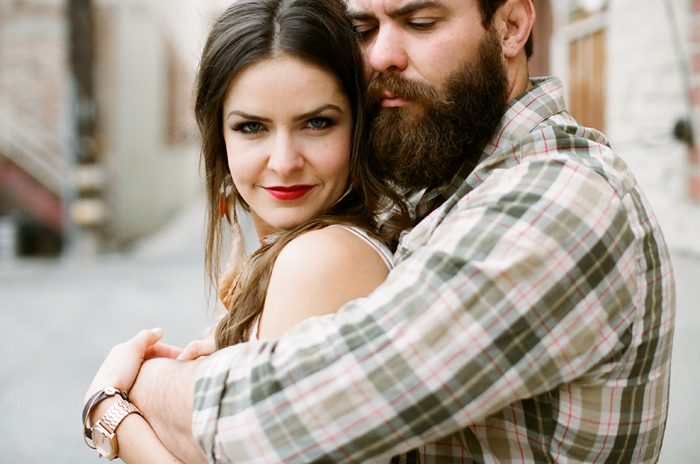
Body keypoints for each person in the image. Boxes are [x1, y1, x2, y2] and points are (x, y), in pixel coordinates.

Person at [87, 0, 676, 461]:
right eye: (363, 27)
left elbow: (281, 427)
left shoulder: (557, 204)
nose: (382, 56)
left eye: (420, 21)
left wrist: (128, 395)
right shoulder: (438, 189)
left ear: (513, 26)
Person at [82, 0, 411, 461]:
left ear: (358, 128)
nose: (283, 160)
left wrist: (111, 410)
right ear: (220, 137)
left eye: (318, 123)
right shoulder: (289, 256)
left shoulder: (323, 259)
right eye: (252, 127)